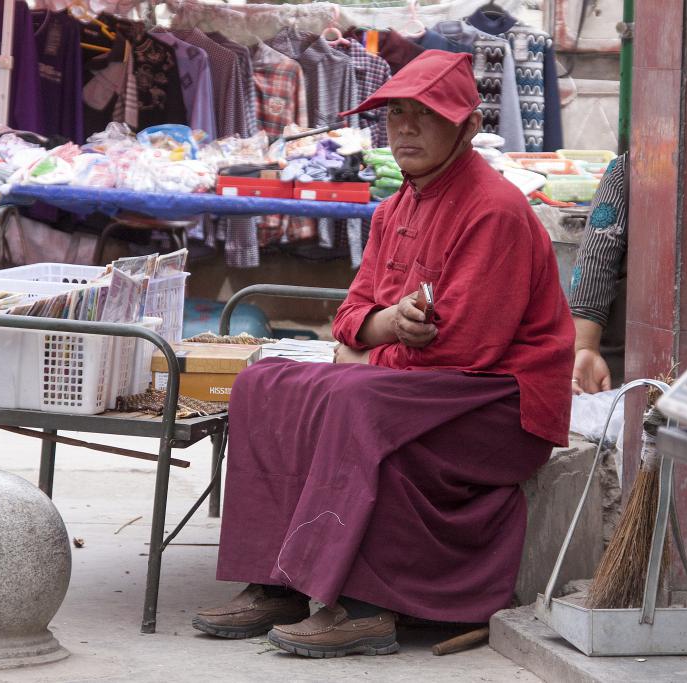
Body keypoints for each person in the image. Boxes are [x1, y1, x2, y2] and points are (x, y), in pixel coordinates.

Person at [192, 50, 574, 658]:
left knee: (354, 398)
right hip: (418, 385)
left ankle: (365, 611)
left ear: (469, 126)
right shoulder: (395, 206)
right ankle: (279, 582)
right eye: (397, 115)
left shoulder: (495, 208)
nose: (406, 130)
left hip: (499, 407)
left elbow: (465, 353)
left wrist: (365, 357)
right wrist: (383, 327)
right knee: (262, 383)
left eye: (425, 116)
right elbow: (349, 314)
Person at [569, 152, 628, 395]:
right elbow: (595, 262)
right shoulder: (626, 171)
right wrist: (585, 348)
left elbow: (596, 258)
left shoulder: (627, 169)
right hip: (617, 371)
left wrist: (585, 348)